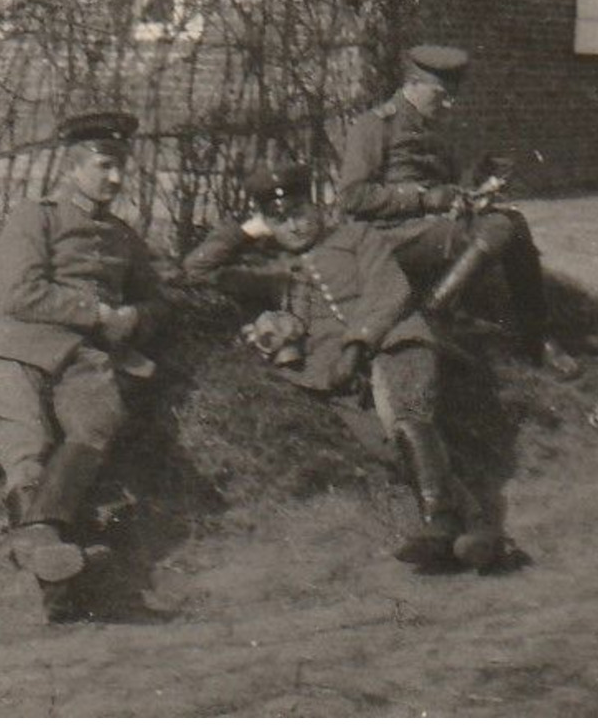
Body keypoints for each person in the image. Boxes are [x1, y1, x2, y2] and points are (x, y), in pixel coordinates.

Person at [182, 162, 503, 571]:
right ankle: (476, 529)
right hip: (335, 376)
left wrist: (356, 346)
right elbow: (194, 270)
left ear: (316, 207)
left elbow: (390, 291)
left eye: (299, 212)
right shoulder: (276, 272)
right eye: (278, 220)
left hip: (394, 341)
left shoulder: (357, 237)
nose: (294, 227)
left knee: (404, 416)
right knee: (386, 445)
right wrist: (245, 232)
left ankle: (439, 522)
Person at [0, 110, 167, 619]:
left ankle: (40, 540)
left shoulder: (124, 237)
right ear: (73, 167)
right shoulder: (35, 217)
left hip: (84, 355)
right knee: (28, 449)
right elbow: (20, 293)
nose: (114, 178)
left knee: (98, 423)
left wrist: (134, 317)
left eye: (120, 168)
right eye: (103, 166)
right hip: (11, 344)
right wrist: (96, 312)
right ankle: (58, 583)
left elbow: (160, 302)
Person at [338, 44, 579, 378]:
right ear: (414, 84)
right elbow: (352, 196)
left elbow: (448, 188)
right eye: (441, 95)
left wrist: (477, 188)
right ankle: (434, 314)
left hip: (431, 230)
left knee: (514, 223)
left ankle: (537, 336)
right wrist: (421, 200)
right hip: (389, 236)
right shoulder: (374, 126)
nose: (449, 104)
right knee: (497, 228)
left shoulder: (433, 129)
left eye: (452, 95)